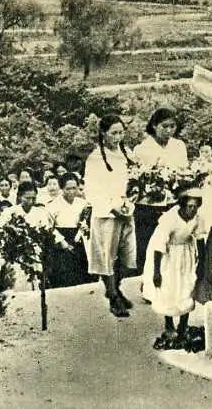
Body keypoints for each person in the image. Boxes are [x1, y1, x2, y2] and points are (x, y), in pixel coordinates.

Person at [84, 113, 136, 318]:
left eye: (121, 132)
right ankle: (114, 296)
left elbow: (134, 180)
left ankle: (115, 287)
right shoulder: (95, 158)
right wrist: (112, 208)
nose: (118, 137)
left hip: (126, 210)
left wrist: (130, 201)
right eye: (114, 133)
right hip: (106, 213)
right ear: (103, 134)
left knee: (127, 256)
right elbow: (91, 190)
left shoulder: (127, 153)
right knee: (107, 256)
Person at [132, 106, 189, 275]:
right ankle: (146, 280)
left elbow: (184, 172)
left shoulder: (179, 146)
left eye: (172, 126)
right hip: (148, 205)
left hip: (173, 202)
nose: (169, 130)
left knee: (172, 244)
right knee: (148, 244)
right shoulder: (142, 148)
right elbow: (136, 177)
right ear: (154, 126)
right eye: (165, 126)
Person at [148, 188, 207, 350]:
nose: (193, 210)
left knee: (187, 287)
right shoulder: (170, 218)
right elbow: (158, 245)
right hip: (169, 256)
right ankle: (169, 325)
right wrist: (156, 271)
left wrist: (202, 263)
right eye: (190, 206)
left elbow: (200, 240)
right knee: (169, 289)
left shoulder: (197, 219)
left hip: (186, 254)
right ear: (182, 205)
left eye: (195, 206)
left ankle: (183, 325)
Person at [47, 172, 94, 287]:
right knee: (63, 278)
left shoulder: (83, 204)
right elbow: (49, 227)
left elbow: (87, 222)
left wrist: (85, 229)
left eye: (74, 188)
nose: (71, 192)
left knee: (82, 276)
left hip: (78, 240)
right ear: (62, 188)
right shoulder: (52, 205)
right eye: (68, 189)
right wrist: (62, 242)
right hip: (61, 242)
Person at [191, 142, 212, 230]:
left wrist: (205, 175)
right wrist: (201, 168)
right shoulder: (195, 164)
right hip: (198, 195)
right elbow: (193, 179)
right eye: (202, 152)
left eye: (207, 152)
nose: (204, 154)